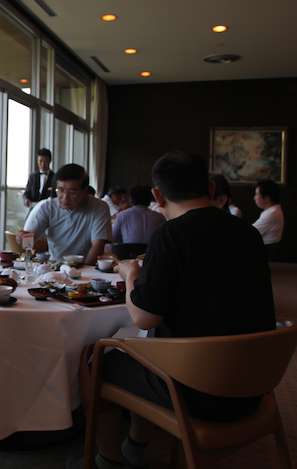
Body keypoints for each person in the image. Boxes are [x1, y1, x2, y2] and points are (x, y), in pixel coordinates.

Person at [77, 151, 275, 469]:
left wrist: (131, 274)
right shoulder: (248, 233)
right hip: (255, 384)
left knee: (95, 357)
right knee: (145, 349)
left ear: (158, 195)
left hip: (199, 391)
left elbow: (144, 317)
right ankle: (135, 447)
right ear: (211, 187)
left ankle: (107, 461)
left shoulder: (171, 234)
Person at [18, 163, 112, 265]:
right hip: (55, 267)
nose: (65, 197)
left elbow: (97, 246)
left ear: (85, 191)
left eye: (72, 192)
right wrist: (23, 238)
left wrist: (83, 270)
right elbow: (32, 236)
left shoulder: (99, 208)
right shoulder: (49, 207)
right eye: (61, 190)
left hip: (84, 268)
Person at [252, 178, 284, 259]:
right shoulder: (275, 211)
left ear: (266, 198)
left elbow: (248, 233)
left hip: (257, 254)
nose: (254, 198)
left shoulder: (270, 215)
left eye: (257, 195)